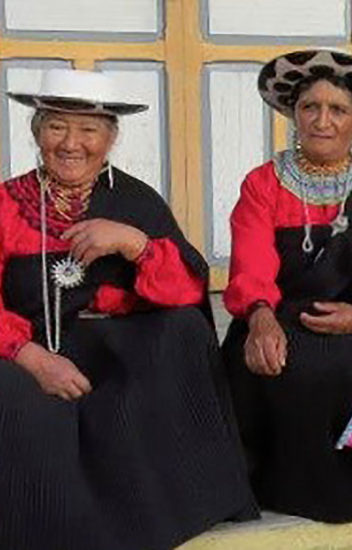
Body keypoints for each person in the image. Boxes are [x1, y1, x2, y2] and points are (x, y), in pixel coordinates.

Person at [0, 68, 258, 550]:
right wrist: (33, 358)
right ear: (36, 133)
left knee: (183, 331)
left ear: (111, 138)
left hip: (118, 343)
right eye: (56, 126)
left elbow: (186, 290)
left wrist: (134, 244)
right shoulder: (6, 204)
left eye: (88, 129)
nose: (71, 143)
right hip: (26, 348)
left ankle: (168, 511)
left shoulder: (136, 200)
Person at [222, 49, 352, 523]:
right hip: (279, 314)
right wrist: (259, 317)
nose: (322, 121)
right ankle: (270, 485)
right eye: (310, 107)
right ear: (294, 113)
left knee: (333, 367)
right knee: (260, 361)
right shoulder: (263, 183)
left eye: (338, 110)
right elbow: (250, 261)